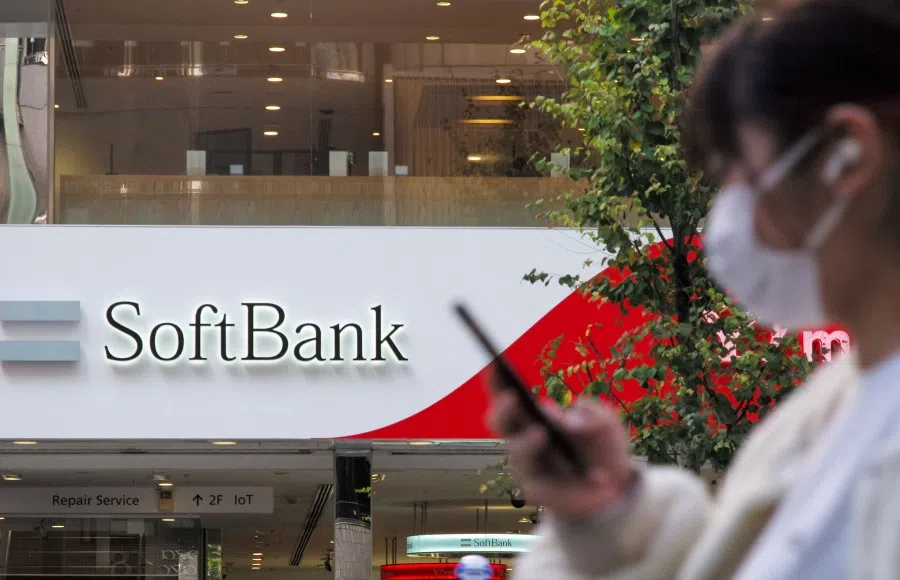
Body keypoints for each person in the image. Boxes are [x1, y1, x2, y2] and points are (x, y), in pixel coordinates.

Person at [489, 1, 900, 578]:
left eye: (739, 173)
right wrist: (609, 512)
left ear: (847, 157)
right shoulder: (821, 419)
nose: (728, 215)